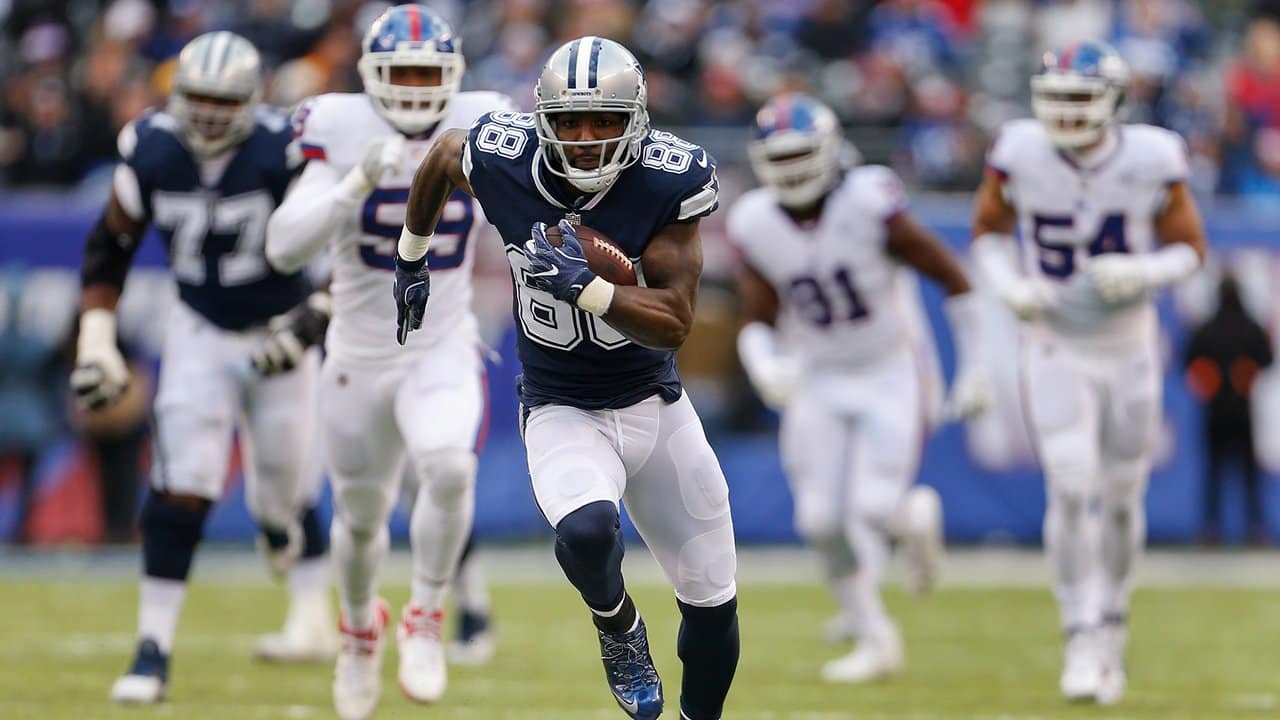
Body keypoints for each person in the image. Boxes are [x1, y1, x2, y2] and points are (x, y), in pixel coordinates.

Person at [395, 36, 739, 720]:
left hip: (653, 403)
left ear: (634, 120)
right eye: (570, 122)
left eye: (604, 121)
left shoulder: (668, 179)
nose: (586, 138)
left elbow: (674, 320)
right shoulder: (504, 156)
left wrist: (591, 291)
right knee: (584, 534)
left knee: (711, 600)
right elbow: (440, 156)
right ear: (542, 120)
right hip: (561, 404)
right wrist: (412, 257)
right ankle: (618, 629)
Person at [71, 31, 334, 704]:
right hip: (197, 331)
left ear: (251, 100)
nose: (211, 114)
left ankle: (284, 543)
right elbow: (109, 249)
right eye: (199, 99)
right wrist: (96, 339)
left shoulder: (286, 152)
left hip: (279, 331)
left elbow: (343, 261)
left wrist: (307, 325)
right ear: (177, 95)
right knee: (182, 482)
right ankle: (152, 648)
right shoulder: (153, 148)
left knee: (284, 487)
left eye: (224, 100)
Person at [263, 6, 511, 718]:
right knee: (362, 518)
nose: (412, 88)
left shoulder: (484, 117)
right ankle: (357, 631)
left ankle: (428, 614)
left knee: (450, 465)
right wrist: (349, 189)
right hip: (358, 352)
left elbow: (530, 210)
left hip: (441, 343)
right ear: (370, 76)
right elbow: (283, 247)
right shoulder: (338, 126)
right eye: (399, 73)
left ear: (453, 77)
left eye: (425, 74)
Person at [970, 40, 1206, 706]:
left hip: (1129, 343)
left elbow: (1191, 248)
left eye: (1082, 98)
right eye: (1057, 97)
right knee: (1072, 485)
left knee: (1124, 497)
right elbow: (986, 230)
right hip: (1054, 340)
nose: (1068, 113)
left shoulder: (1151, 157)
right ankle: (1079, 633)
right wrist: (1007, 283)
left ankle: (1112, 625)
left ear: (1115, 102)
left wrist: (1145, 270)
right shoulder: (1018, 150)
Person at [727, 92, 990, 683]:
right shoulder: (757, 221)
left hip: (891, 369)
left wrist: (975, 365)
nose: (793, 170)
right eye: (781, 157)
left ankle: (908, 518)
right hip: (819, 375)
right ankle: (874, 635)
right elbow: (758, 317)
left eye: (802, 155)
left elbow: (954, 278)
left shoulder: (868, 201)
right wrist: (763, 362)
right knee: (819, 521)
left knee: (870, 508)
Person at [1183, 273, 1273, 544]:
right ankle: (1255, 528)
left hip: (1216, 410)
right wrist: (1246, 376)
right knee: (1247, 473)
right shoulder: (1250, 326)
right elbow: (1267, 358)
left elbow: (1188, 359)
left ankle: (1212, 528)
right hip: (1242, 409)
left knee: (1215, 471)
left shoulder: (1208, 327)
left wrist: (1209, 381)